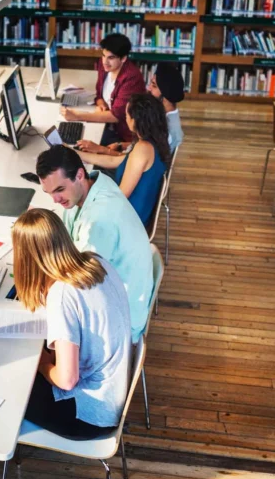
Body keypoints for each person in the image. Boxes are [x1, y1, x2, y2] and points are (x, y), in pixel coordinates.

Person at [13, 208, 132, 440]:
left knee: (11, 378)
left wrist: (43, 363)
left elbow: (67, 380)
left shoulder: (62, 294)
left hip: (87, 416)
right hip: (112, 394)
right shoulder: (95, 262)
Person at [36, 145, 154, 343]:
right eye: (49, 192)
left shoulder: (100, 220)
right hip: (110, 292)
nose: (55, 200)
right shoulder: (91, 187)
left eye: (59, 190)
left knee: (40, 329)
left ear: (80, 175)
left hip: (120, 319)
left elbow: (82, 284)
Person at [77, 93, 171, 225]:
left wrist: (88, 201)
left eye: (127, 115)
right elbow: (112, 161)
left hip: (128, 220)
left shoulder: (142, 149)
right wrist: (75, 153)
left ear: (135, 120)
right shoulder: (152, 142)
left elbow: (121, 195)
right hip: (136, 212)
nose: (125, 117)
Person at [76, 63, 185, 155]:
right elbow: (143, 145)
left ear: (165, 96)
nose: (148, 88)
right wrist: (121, 145)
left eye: (154, 85)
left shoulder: (167, 131)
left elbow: (137, 162)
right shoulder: (162, 115)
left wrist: (102, 150)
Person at [60, 33, 147, 145]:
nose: (105, 61)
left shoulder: (131, 78)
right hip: (107, 124)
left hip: (123, 136)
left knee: (78, 144)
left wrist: (77, 116)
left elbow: (116, 116)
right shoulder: (104, 66)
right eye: (103, 55)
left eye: (111, 58)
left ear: (124, 58)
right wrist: (101, 103)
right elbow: (99, 94)